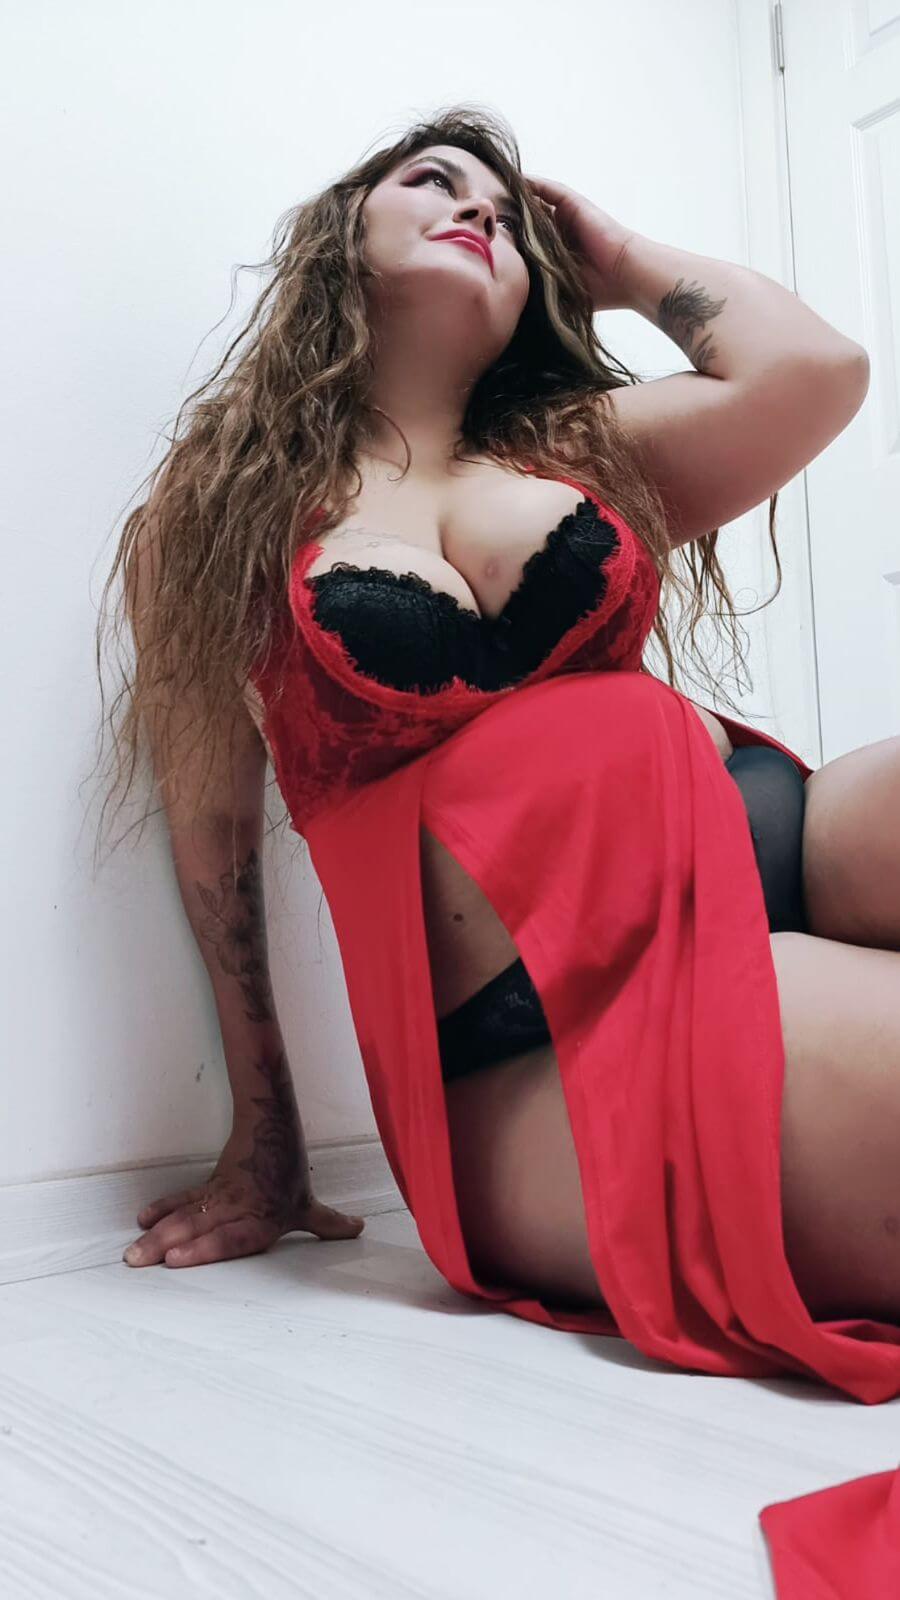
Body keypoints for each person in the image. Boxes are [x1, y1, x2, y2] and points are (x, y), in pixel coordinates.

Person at [94, 108, 900, 1594]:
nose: (480, 209)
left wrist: (622, 260)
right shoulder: (213, 520)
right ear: (339, 239)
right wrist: (267, 1137)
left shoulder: (580, 448)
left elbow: (818, 374)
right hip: (538, 1037)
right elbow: (214, 840)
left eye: (509, 214)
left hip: (763, 842)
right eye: (432, 181)